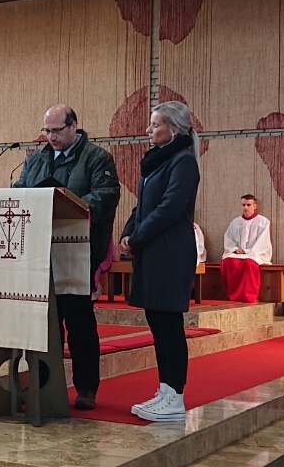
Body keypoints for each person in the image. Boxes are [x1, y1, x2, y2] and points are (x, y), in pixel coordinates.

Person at [14, 104, 120, 410]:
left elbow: (106, 196)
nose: (51, 137)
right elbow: (21, 191)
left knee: (79, 322)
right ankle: (45, 385)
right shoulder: (36, 160)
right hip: (40, 252)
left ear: (74, 126)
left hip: (77, 252)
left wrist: (67, 203)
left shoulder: (97, 158)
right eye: (47, 131)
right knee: (45, 324)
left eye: (57, 130)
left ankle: (86, 388)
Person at [120, 101, 200, 422]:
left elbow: (169, 208)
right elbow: (142, 205)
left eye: (155, 125)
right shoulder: (159, 161)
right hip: (153, 251)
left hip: (170, 252)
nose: (148, 130)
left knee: (169, 326)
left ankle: (175, 396)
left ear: (174, 129)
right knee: (158, 323)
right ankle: (165, 390)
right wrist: (128, 232)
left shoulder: (183, 162)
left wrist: (138, 237)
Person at [220, 194, 272, 303]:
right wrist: (235, 249)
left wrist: (246, 251)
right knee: (228, 261)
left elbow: (263, 242)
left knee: (249, 263)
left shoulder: (263, 222)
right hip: (237, 253)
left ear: (255, 206)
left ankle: (247, 296)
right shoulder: (235, 222)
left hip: (255, 253)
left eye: (248, 205)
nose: (245, 207)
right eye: (243, 205)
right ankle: (233, 295)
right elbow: (228, 238)